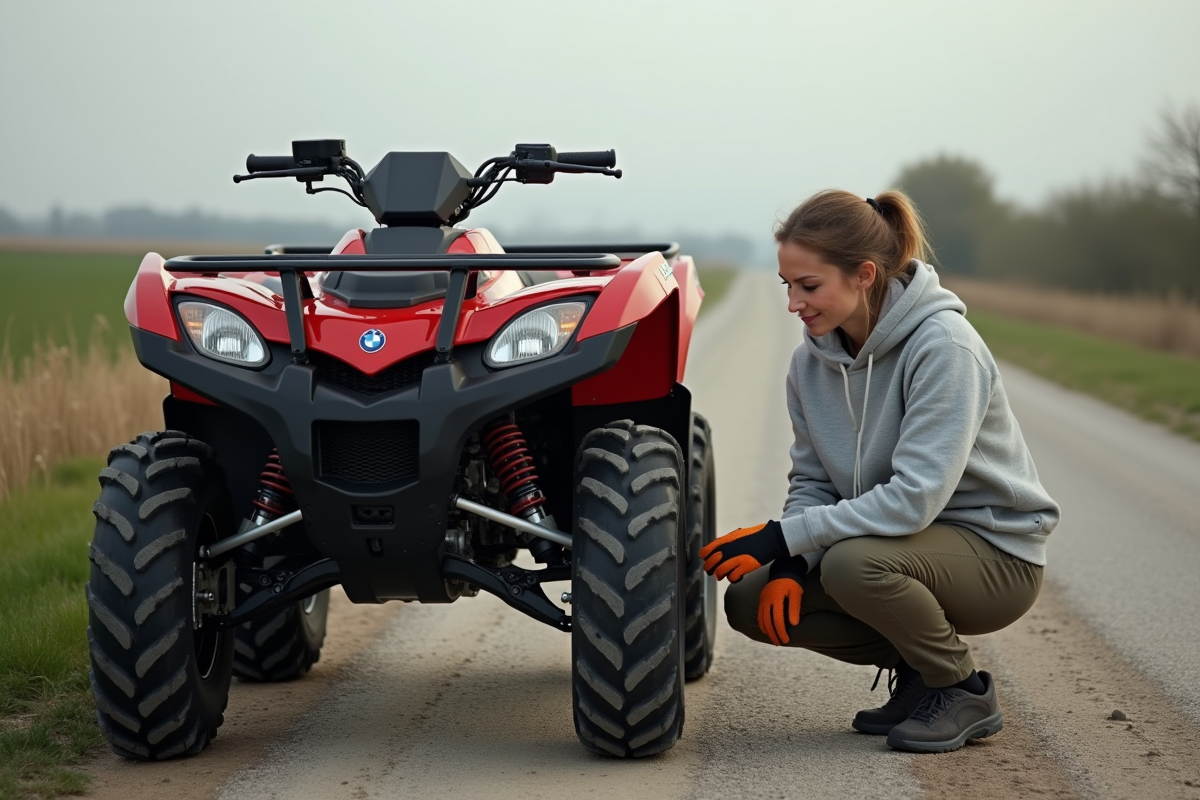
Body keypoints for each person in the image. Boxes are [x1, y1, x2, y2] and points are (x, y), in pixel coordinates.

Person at [699, 189, 1060, 754]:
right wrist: (792, 563)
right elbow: (814, 481)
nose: (793, 303)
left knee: (851, 565)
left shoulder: (944, 347)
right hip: (901, 546)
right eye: (786, 285)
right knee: (750, 597)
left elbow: (915, 499)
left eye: (809, 285)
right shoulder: (809, 363)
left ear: (864, 274)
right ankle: (919, 672)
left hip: (996, 555)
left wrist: (782, 536)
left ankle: (962, 689)